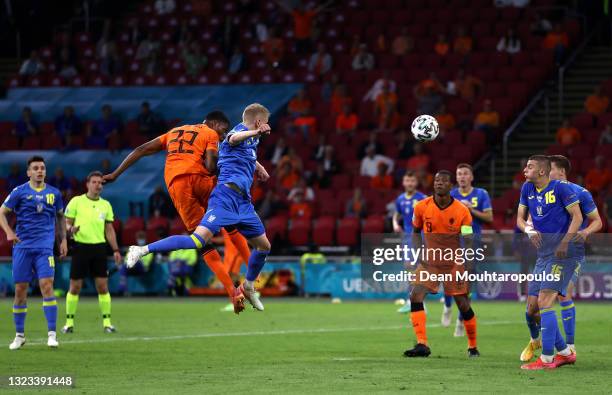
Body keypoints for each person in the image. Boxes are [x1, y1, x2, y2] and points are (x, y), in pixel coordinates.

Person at [122, 104, 274, 313]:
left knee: (264, 246)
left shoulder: (252, 141)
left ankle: (247, 286)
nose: (267, 126)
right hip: (225, 197)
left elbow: (245, 152)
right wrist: (257, 131)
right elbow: (231, 139)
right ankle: (142, 249)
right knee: (197, 240)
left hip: (243, 202)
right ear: (258, 122)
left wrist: (259, 167)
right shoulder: (238, 132)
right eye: (264, 123)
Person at [519, 155, 602, 362]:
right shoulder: (531, 189)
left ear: (558, 172)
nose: (550, 175)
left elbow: (596, 221)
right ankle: (554, 347)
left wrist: (583, 234)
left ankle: (561, 351)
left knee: (558, 297)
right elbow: (528, 218)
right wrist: (530, 231)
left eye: (552, 170)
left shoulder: (578, 192)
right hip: (545, 253)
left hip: (569, 251)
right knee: (533, 308)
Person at [403, 170, 479, 358]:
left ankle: (472, 346)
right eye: (436, 180)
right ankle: (422, 344)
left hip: (453, 263)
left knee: (462, 304)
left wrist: (469, 264)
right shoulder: (421, 206)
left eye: (443, 181)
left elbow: (468, 238)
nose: (439, 183)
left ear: (450, 186)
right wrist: (419, 253)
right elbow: (415, 232)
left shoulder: (462, 210)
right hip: (430, 262)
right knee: (415, 295)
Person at [0, 156, 67, 349]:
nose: (40, 171)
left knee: (47, 285)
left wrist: (63, 240)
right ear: (28, 172)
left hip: (44, 248)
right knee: (20, 291)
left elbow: (60, 218)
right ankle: (19, 336)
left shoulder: (54, 193)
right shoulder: (19, 192)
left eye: (43, 168)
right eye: (36, 168)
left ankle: (52, 335)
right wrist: (9, 232)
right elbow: (1, 213)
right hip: (22, 247)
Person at [61, 171, 122, 334]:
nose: (98, 185)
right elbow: (66, 223)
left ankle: (107, 323)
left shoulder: (106, 205)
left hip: (99, 248)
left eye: (101, 183)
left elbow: (109, 230)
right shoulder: (76, 202)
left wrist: (115, 249)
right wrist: (70, 229)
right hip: (81, 248)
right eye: (94, 182)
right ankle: (69, 323)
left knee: (103, 287)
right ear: (87, 184)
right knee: (75, 287)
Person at [445, 163, 493, 335]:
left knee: (467, 285)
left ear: (471, 177)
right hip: (453, 243)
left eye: (465, 173)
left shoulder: (481, 194)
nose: (462, 176)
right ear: (456, 178)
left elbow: (489, 217)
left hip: (473, 244)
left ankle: (460, 319)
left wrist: (470, 210)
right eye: (459, 174)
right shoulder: (451, 195)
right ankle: (448, 306)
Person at [393, 171, 427, 313]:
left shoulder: (423, 198)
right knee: (408, 267)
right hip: (408, 238)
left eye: (412, 181)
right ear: (403, 182)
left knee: (421, 269)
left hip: (421, 237)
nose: (410, 183)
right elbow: (397, 213)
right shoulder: (400, 199)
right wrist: (395, 223)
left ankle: (420, 301)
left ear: (416, 183)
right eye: (407, 181)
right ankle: (412, 300)